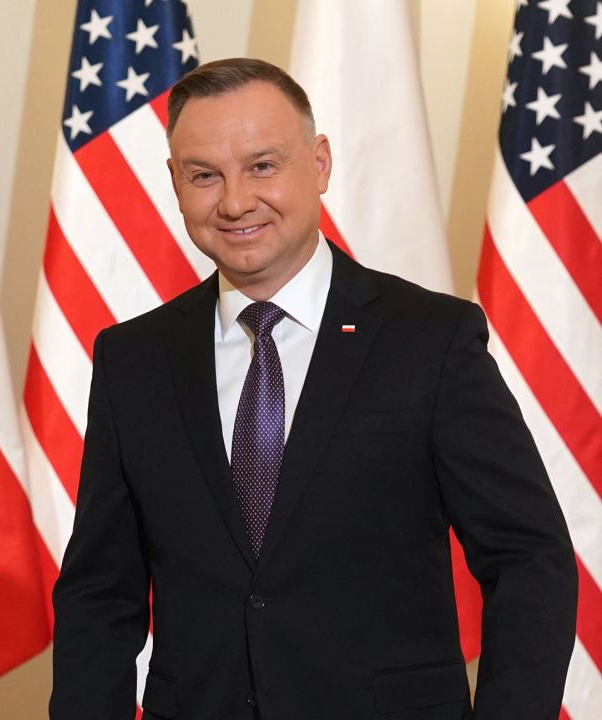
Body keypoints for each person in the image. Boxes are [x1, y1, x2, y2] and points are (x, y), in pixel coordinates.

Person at [50, 58, 576, 720]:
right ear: (175, 184)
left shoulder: (429, 342)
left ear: (320, 163)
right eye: (204, 175)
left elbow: (530, 559)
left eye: (263, 165)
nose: (236, 201)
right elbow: (101, 594)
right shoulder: (133, 360)